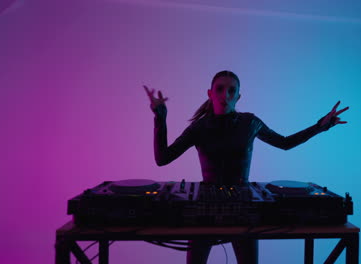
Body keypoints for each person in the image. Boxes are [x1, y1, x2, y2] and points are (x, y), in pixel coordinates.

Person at [143, 70, 349, 264]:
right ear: (210, 93)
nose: (226, 94)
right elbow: (163, 158)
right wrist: (160, 118)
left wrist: (321, 126)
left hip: (244, 205)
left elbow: (285, 143)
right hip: (203, 207)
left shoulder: (250, 123)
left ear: (239, 96)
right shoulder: (199, 127)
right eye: (220, 89)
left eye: (232, 90)